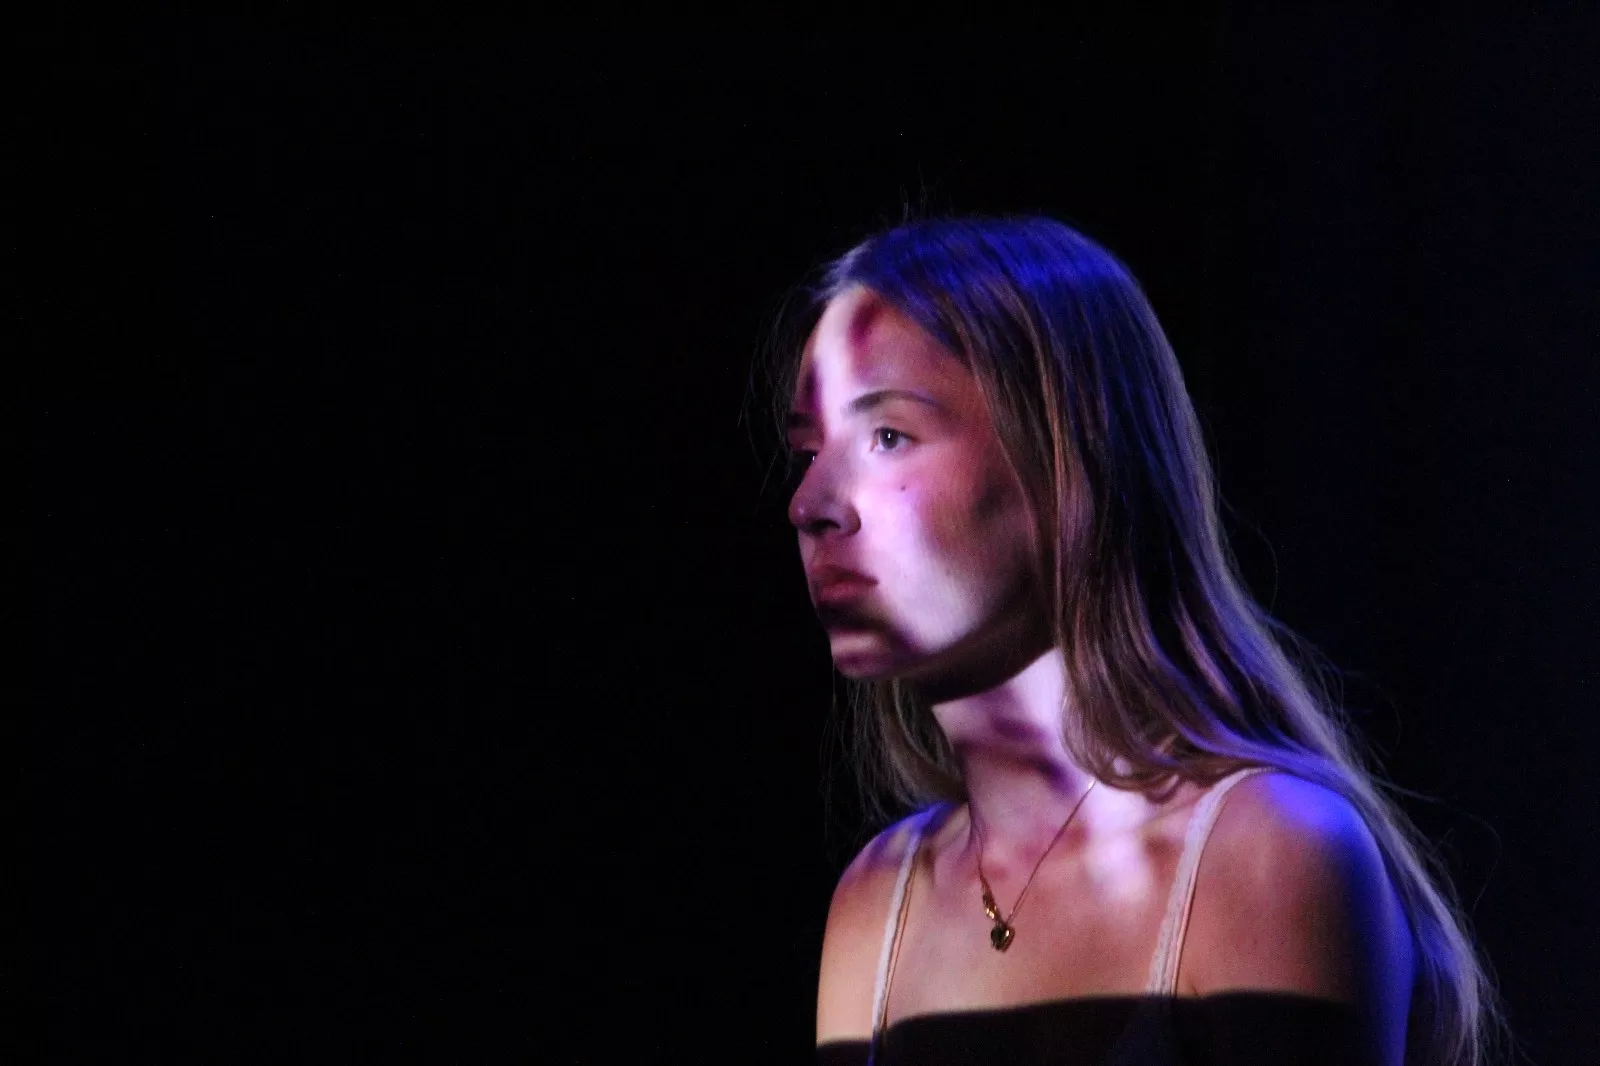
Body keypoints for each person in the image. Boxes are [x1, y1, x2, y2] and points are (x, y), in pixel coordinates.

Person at [753, 216, 1505, 1065]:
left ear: (1065, 456)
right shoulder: (878, 901)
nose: (811, 503)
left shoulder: (1270, 854)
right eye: (808, 451)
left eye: (887, 436)